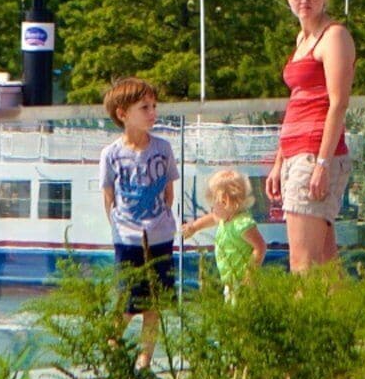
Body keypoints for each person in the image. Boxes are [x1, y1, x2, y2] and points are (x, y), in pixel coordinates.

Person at [274, 0, 356, 275]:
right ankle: (348, 322)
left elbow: (337, 103)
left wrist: (321, 164)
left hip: (315, 154)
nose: (304, 0)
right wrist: (280, 160)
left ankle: (301, 324)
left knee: (302, 265)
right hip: (296, 153)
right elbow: (298, 100)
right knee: (324, 264)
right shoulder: (302, 40)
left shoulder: (333, 36)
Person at [96, 78, 182, 362]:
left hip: (160, 236)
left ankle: (145, 361)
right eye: (144, 107)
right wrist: (123, 227)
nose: (152, 112)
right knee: (127, 301)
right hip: (127, 239)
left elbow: (169, 193)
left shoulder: (164, 148)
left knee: (154, 303)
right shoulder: (110, 154)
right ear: (123, 114)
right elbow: (109, 197)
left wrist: (158, 221)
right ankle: (112, 352)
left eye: (154, 106)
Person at [183, 165, 261, 294]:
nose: (212, 210)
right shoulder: (225, 218)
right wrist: (194, 227)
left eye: (214, 205)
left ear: (226, 202)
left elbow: (260, 247)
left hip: (242, 281)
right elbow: (211, 218)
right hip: (230, 281)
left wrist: (250, 273)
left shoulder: (241, 224)